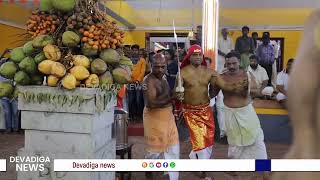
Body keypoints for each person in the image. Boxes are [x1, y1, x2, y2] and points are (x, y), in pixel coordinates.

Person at [211, 51, 268, 159]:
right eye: (229, 64)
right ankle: (235, 167)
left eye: (234, 63)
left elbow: (256, 91)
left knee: (257, 140)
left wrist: (245, 88)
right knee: (234, 142)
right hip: (230, 114)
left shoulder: (247, 75)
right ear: (225, 64)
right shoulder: (221, 77)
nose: (231, 66)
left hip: (247, 113)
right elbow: (212, 95)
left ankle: (264, 169)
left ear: (239, 62)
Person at [142, 53, 179, 180]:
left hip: (167, 117)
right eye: (156, 66)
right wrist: (173, 97)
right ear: (151, 65)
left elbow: (166, 96)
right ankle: (148, 175)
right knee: (153, 152)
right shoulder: (148, 80)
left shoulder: (163, 77)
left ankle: (170, 175)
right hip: (154, 119)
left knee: (172, 147)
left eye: (162, 66)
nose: (160, 70)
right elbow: (150, 103)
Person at [128, 44, 146, 121]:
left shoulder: (142, 60)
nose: (135, 51)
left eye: (136, 50)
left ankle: (139, 115)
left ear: (138, 51)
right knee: (131, 99)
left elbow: (143, 71)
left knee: (138, 99)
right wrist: (129, 79)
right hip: (130, 83)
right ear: (131, 51)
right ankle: (131, 115)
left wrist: (138, 80)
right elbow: (127, 70)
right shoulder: (128, 60)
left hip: (139, 83)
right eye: (133, 50)